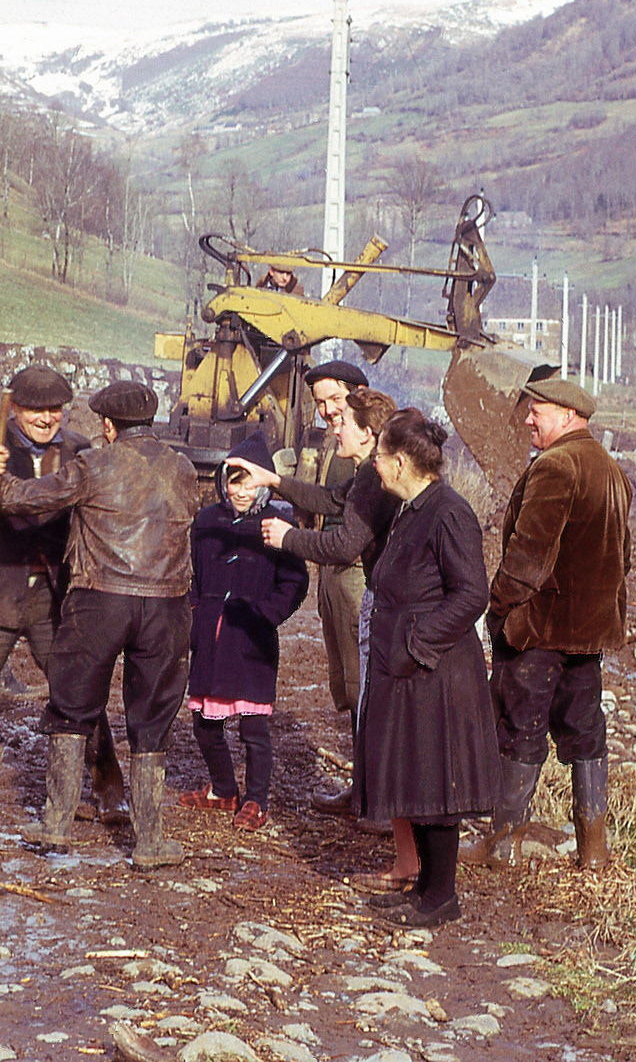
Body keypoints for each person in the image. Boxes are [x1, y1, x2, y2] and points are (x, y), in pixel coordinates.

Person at [0, 379, 198, 868]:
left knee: (72, 707)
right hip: (167, 606)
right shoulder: (183, 468)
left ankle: (56, 825)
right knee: (152, 719)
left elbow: (22, 499)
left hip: (100, 601)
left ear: (107, 426)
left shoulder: (94, 464)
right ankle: (150, 842)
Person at [0, 366, 127, 823]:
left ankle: (109, 788)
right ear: (15, 408)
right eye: (36, 409)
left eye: (55, 410)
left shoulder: (77, 449)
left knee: (78, 693)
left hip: (52, 599)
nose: (46, 418)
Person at [248, 387, 413, 889]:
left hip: (388, 599)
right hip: (382, 594)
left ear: (369, 434)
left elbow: (344, 542)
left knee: (374, 700)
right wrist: (274, 480)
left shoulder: (376, 479)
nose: (334, 426)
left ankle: (380, 806)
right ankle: (367, 796)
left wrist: (288, 539)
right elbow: (329, 501)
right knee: (361, 695)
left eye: (343, 421)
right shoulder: (365, 473)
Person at [479, 376, 631, 873]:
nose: (528, 419)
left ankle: (503, 846)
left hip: (540, 631)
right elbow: (623, 557)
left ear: (567, 416)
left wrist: (497, 609)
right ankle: (594, 849)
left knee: (519, 729)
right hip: (587, 634)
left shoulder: (556, 465)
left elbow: (528, 556)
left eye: (536, 411)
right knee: (585, 733)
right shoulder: (611, 469)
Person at [353, 408, 498, 928]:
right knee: (417, 777)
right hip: (410, 668)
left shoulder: (448, 512)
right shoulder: (412, 509)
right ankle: (424, 891)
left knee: (438, 783)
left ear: (400, 462)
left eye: (378, 456)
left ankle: (441, 898)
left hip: (436, 670)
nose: (373, 464)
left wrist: (417, 643)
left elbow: (472, 594)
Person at [180, 433, 309, 830]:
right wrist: (195, 612)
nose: (240, 491)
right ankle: (223, 789)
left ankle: (256, 800)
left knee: (253, 727)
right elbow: (192, 573)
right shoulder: (206, 521)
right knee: (205, 725)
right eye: (234, 482)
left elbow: (295, 582)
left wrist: (264, 615)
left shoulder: (278, 527)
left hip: (251, 639)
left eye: (249, 483)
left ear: (263, 484)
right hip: (209, 637)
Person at [293, 358, 369, 813]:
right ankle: (362, 788)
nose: (327, 410)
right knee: (348, 684)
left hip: (356, 573)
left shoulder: (371, 444)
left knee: (366, 686)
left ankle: (375, 796)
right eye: (320, 403)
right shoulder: (330, 441)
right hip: (333, 573)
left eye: (335, 399)